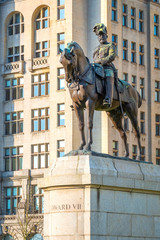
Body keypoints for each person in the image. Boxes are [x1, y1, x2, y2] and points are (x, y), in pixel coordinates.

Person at [93, 23, 116, 107]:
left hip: (107, 67)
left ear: (106, 35)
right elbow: (94, 59)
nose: (101, 37)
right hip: (97, 67)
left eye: (102, 35)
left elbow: (111, 56)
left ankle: (108, 99)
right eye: (99, 35)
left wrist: (101, 61)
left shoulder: (110, 45)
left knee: (109, 75)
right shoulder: (96, 48)